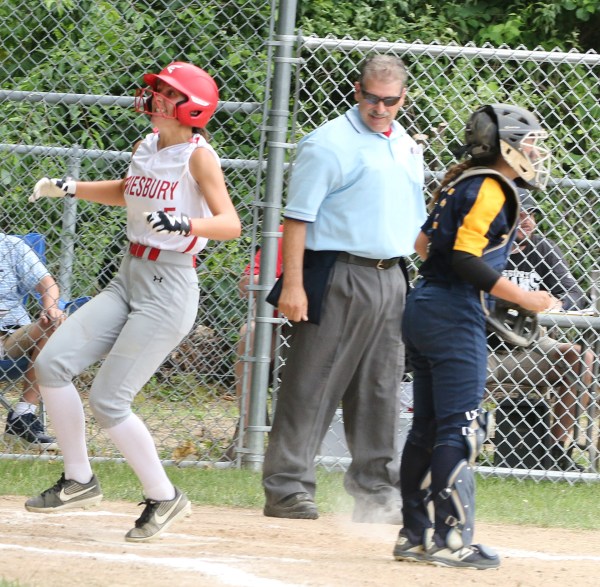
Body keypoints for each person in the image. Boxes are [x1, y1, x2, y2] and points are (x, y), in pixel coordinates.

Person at [24, 61, 241, 542]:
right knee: (52, 364)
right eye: (157, 89)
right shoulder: (147, 144)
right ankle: (79, 479)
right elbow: (129, 192)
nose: (156, 96)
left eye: (169, 92)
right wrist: (71, 188)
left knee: (108, 400)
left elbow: (230, 223)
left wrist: (186, 224)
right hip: (128, 276)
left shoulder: (198, 157)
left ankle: (164, 496)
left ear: (193, 108)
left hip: (169, 285)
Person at [262, 54, 426, 524]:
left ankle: (376, 493)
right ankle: (287, 487)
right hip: (338, 271)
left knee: (380, 389)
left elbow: (414, 222)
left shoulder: (406, 145)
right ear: (357, 91)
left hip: (392, 274)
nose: (379, 108)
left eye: (389, 101)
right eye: (371, 98)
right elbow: (297, 219)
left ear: (403, 99)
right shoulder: (329, 143)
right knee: (312, 383)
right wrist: (294, 284)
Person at [393, 103, 553, 569]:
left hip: (424, 305)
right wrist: (523, 297)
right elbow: (465, 257)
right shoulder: (491, 186)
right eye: (528, 144)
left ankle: (415, 535)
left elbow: (423, 246)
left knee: (426, 427)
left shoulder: (462, 180)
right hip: (452, 313)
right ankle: (451, 540)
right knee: (459, 428)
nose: (534, 153)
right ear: (505, 146)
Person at [487, 188, 594, 471]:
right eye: (520, 215)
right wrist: (519, 300)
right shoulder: (485, 248)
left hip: (530, 346)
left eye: (531, 215)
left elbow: (574, 293)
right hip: (483, 347)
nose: (528, 221)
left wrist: (556, 303)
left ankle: (556, 453)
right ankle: (459, 445)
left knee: (580, 357)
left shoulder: (542, 248)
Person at [224, 225, 284, 461]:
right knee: (249, 332)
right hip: (278, 325)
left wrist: (273, 283)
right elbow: (246, 283)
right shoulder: (282, 233)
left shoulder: (335, 235)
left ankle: (290, 441)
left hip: (315, 328)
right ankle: (249, 430)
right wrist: (289, 283)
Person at [1, 233, 65, 449]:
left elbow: (47, 284)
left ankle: (22, 416)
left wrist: (51, 309)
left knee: (53, 323)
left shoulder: (10, 246)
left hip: (11, 337)